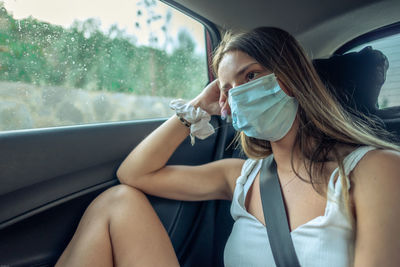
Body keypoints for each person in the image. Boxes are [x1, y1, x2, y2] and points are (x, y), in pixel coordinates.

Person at [56, 27, 400, 267]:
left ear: (292, 78)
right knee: (117, 202)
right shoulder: (240, 176)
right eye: (227, 89)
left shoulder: (375, 169)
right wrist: (196, 109)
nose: (237, 94)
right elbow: (133, 174)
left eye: (250, 77)